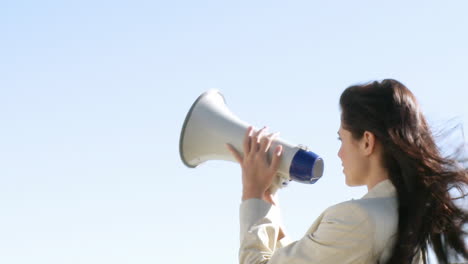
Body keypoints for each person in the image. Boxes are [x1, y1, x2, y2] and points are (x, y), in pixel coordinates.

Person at [227, 79, 468, 264]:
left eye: (341, 139)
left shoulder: (356, 219)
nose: (339, 153)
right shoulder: (404, 214)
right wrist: (269, 204)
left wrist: (252, 191)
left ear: (366, 141)